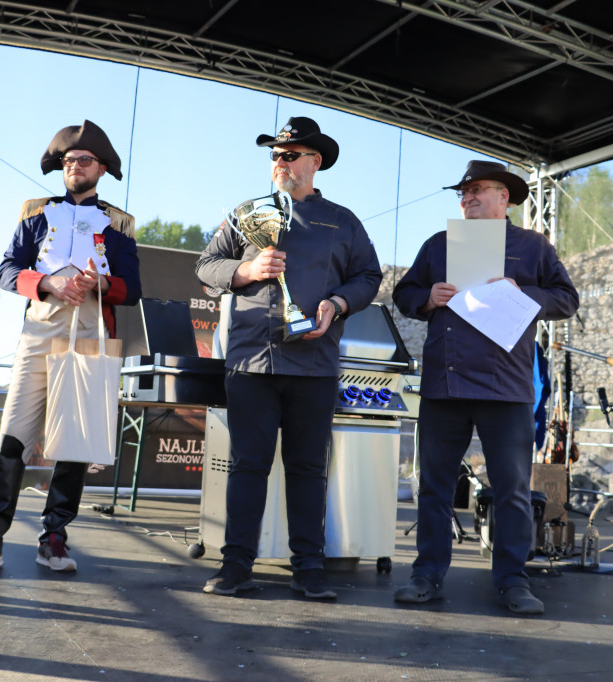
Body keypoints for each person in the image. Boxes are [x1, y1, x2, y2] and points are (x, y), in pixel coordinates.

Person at [195, 116, 382, 600]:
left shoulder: (342, 221)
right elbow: (205, 266)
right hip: (252, 363)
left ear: (314, 162)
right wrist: (246, 268)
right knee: (246, 466)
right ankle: (236, 566)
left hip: (314, 365)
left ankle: (309, 568)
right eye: (275, 155)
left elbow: (368, 277)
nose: (280, 162)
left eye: (291, 154)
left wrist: (337, 304)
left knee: (307, 469)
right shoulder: (247, 213)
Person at [0, 120, 141, 574]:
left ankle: (55, 536)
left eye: (85, 161)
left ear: (102, 168)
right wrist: (48, 281)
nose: (76, 167)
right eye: (70, 161)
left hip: (92, 327)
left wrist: (103, 283)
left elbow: (132, 288)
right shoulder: (34, 213)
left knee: (74, 436)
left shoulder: (120, 223)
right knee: (13, 430)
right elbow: (7, 271)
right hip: (40, 327)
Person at [391, 160, 579, 616]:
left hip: (507, 386)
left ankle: (513, 580)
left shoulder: (534, 246)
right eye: (464, 192)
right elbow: (402, 294)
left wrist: (524, 292)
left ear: (505, 197)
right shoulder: (438, 244)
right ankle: (427, 574)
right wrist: (426, 297)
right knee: (434, 487)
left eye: (478, 190)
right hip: (445, 383)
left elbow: (567, 299)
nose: (468, 197)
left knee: (513, 489)